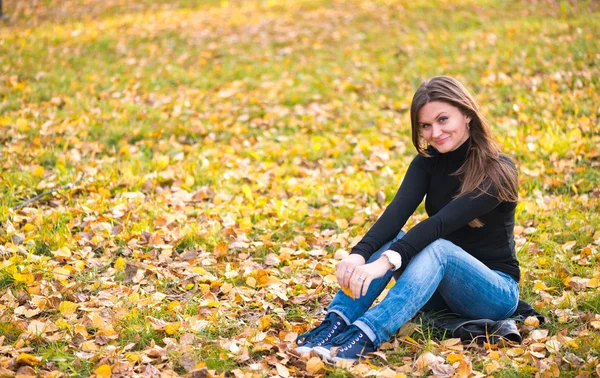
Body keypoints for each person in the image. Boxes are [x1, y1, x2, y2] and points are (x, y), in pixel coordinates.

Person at [294, 76, 521, 362]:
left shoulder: (498, 170)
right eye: (426, 125)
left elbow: (440, 224)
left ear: (466, 114)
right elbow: (395, 216)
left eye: (442, 119)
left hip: (494, 293)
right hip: (436, 287)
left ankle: (365, 335)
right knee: (394, 237)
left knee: (439, 247)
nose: (435, 132)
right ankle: (336, 323)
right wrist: (358, 255)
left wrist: (385, 263)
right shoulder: (427, 162)